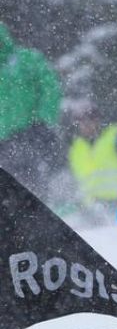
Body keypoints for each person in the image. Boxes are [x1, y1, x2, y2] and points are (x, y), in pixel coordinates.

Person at [0, 22, 63, 198]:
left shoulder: (27, 59)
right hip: (3, 141)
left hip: (29, 132)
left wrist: (44, 119)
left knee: (34, 179)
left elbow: (50, 87)